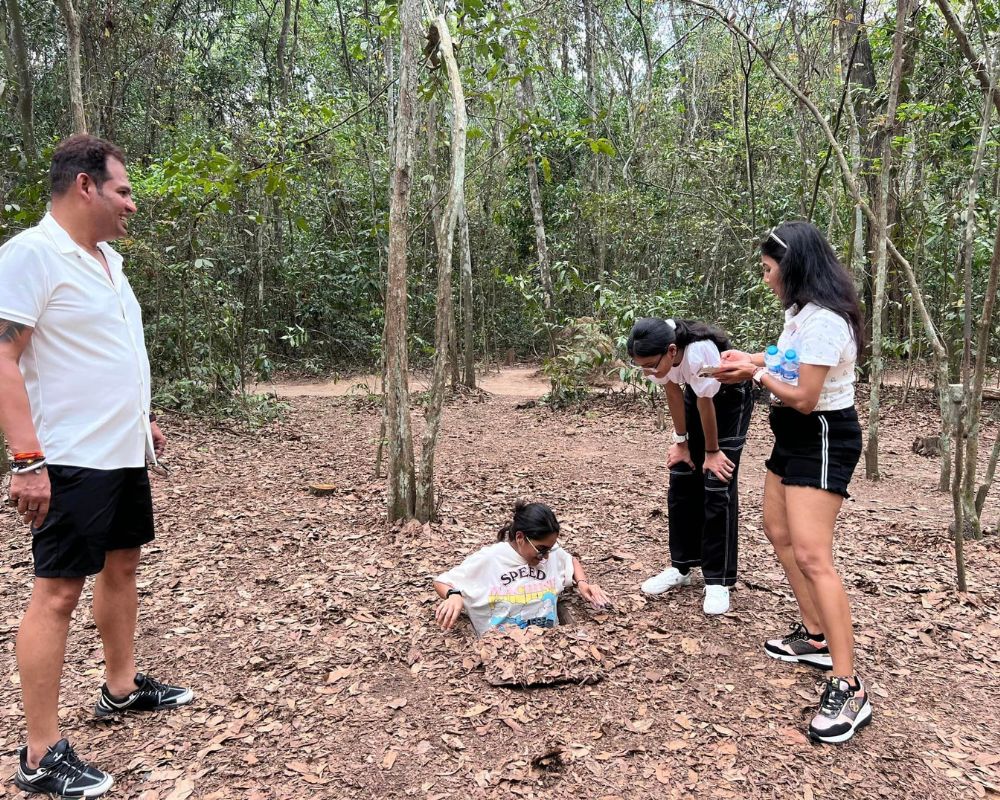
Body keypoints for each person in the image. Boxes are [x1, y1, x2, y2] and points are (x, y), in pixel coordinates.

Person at [0, 135, 193, 798]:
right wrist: (26, 459)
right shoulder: (31, 254)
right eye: (123, 191)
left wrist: (142, 417)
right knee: (56, 592)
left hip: (121, 453)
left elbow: (106, 354)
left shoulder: (106, 260)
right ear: (85, 186)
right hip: (69, 460)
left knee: (123, 565)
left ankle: (118, 687)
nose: (131, 205)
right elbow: (3, 358)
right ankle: (40, 754)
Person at [715, 220, 869, 744]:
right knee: (776, 531)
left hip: (823, 433)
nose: (765, 279)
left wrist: (754, 376)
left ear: (794, 267)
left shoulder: (827, 321)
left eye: (768, 270)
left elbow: (803, 394)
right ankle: (817, 635)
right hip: (796, 433)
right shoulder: (800, 313)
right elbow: (788, 361)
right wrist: (751, 360)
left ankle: (849, 685)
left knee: (813, 555)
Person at [627, 318, 753, 615]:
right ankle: (681, 568)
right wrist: (681, 442)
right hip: (697, 396)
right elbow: (672, 390)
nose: (645, 371)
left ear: (672, 351)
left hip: (727, 399)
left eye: (648, 365)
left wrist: (711, 452)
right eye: (639, 365)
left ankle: (717, 580)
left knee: (716, 481)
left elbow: (707, 402)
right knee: (682, 475)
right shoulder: (658, 355)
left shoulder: (698, 352)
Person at [434, 501, 611, 634]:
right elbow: (442, 581)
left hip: (547, 642)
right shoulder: (490, 559)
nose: (547, 556)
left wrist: (582, 583)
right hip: (501, 645)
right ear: (520, 538)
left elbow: (570, 560)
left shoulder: (550, 552)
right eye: (541, 550)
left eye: (550, 549)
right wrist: (453, 595)